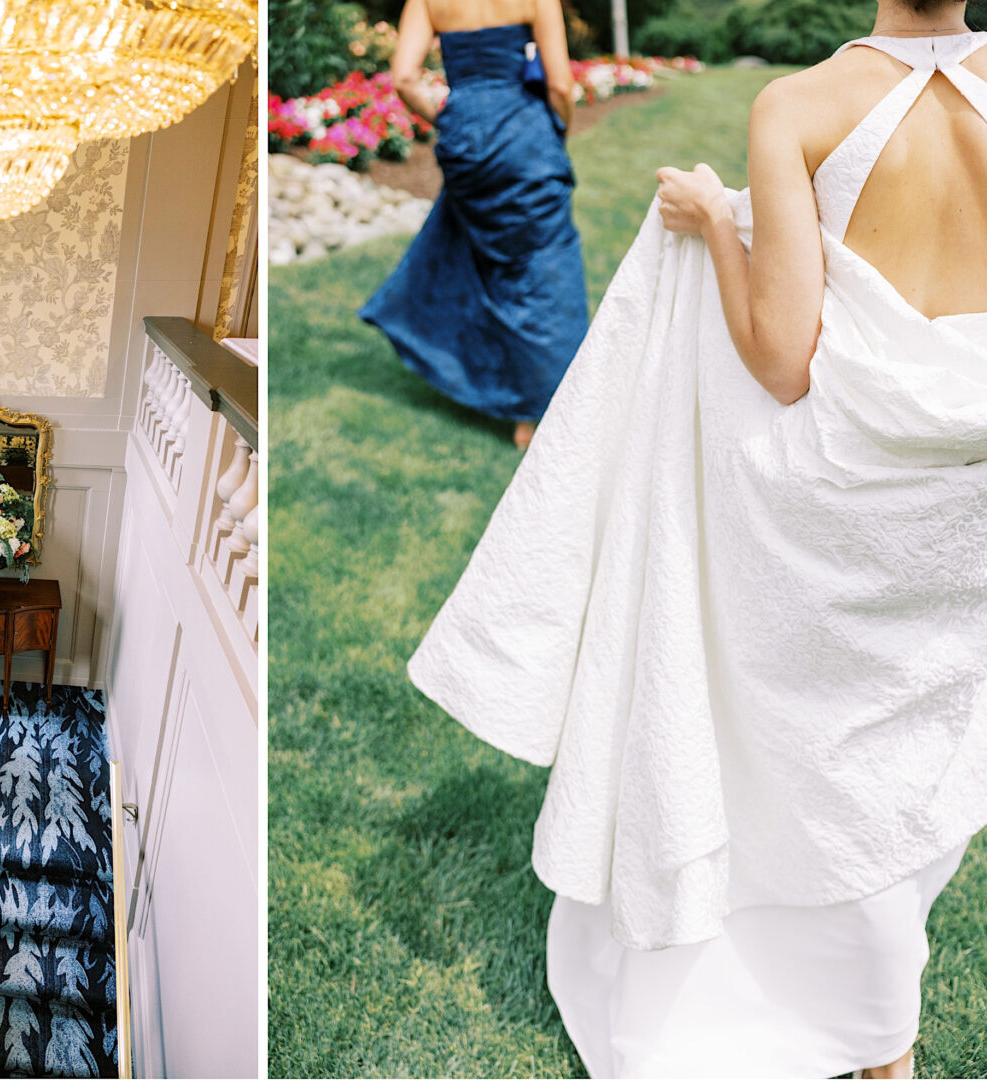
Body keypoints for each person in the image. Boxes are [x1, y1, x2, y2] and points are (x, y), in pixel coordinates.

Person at [407, 0, 987, 1075]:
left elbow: (781, 358)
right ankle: (878, 1034)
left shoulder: (799, 106)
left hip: (839, 495)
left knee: (805, 748)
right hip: (963, 496)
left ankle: (825, 1008)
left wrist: (716, 220)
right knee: (897, 757)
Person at [360, 0, 590, 449]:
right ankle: (540, 409)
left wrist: (446, 118)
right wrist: (557, 130)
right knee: (547, 268)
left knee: (489, 260)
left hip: (465, 136)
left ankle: (501, 386)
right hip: (526, 134)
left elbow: (404, 78)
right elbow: (560, 84)